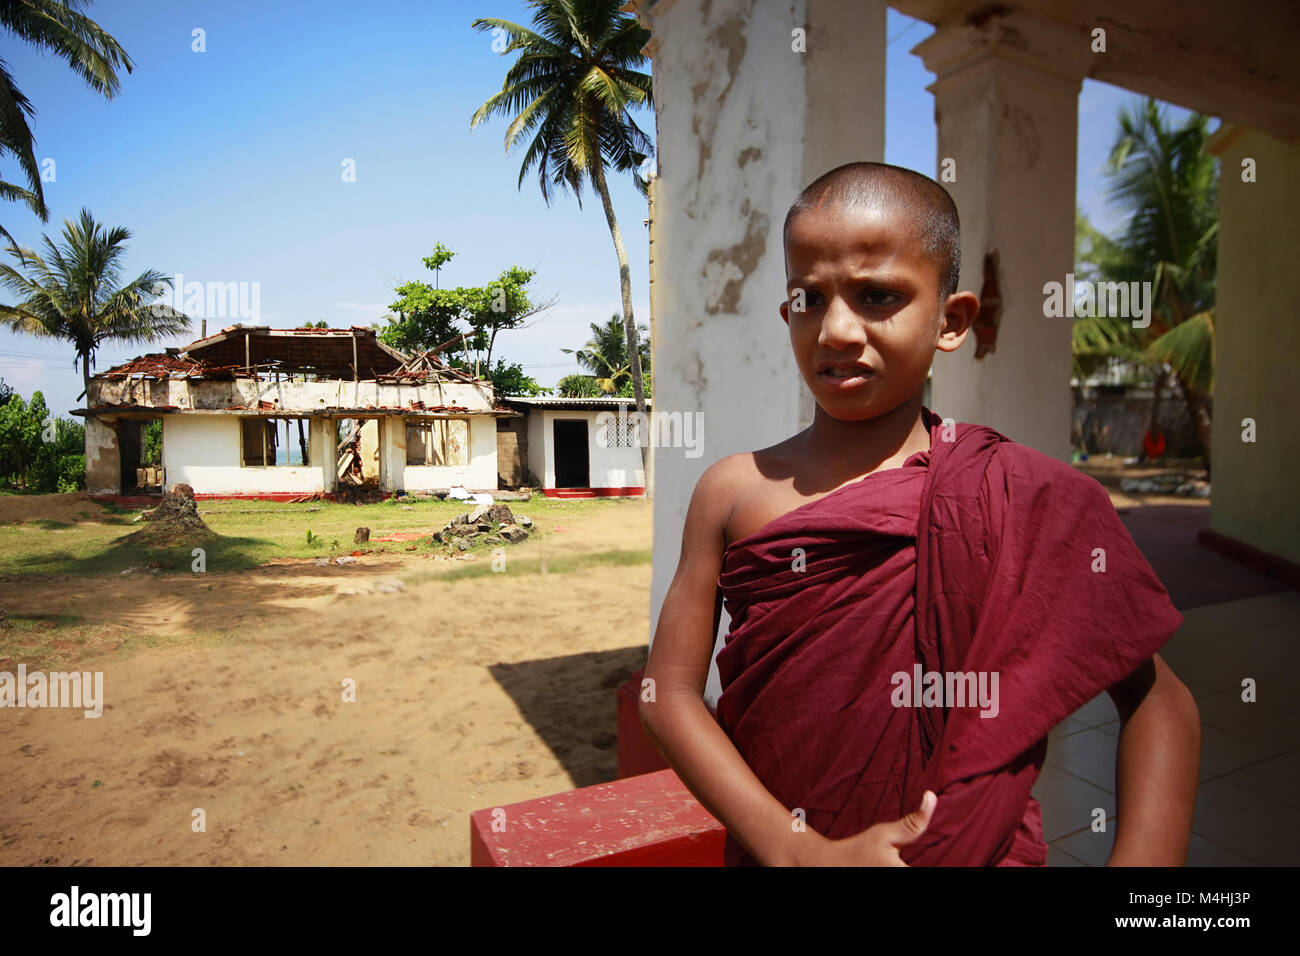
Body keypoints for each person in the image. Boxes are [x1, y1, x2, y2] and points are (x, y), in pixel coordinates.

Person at [638, 162, 1201, 866]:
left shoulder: (1014, 494)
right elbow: (667, 695)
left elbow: (1161, 704)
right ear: (788, 315)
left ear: (951, 320)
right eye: (809, 298)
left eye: (877, 296)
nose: (837, 329)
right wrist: (799, 851)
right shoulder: (733, 490)